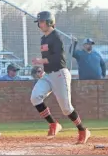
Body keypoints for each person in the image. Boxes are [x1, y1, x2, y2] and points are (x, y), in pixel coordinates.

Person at [31, 11, 90, 144]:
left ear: (49, 22)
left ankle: (82, 130)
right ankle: (53, 124)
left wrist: (41, 61)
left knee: (66, 108)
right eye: (39, 22)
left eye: (41, 22)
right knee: (35, 97)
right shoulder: (43, 39)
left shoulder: (56, 37)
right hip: (48, 75)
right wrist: (43, 66)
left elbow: (56, 58)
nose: (39, 25)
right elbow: (47, 59)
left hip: (60, 74)